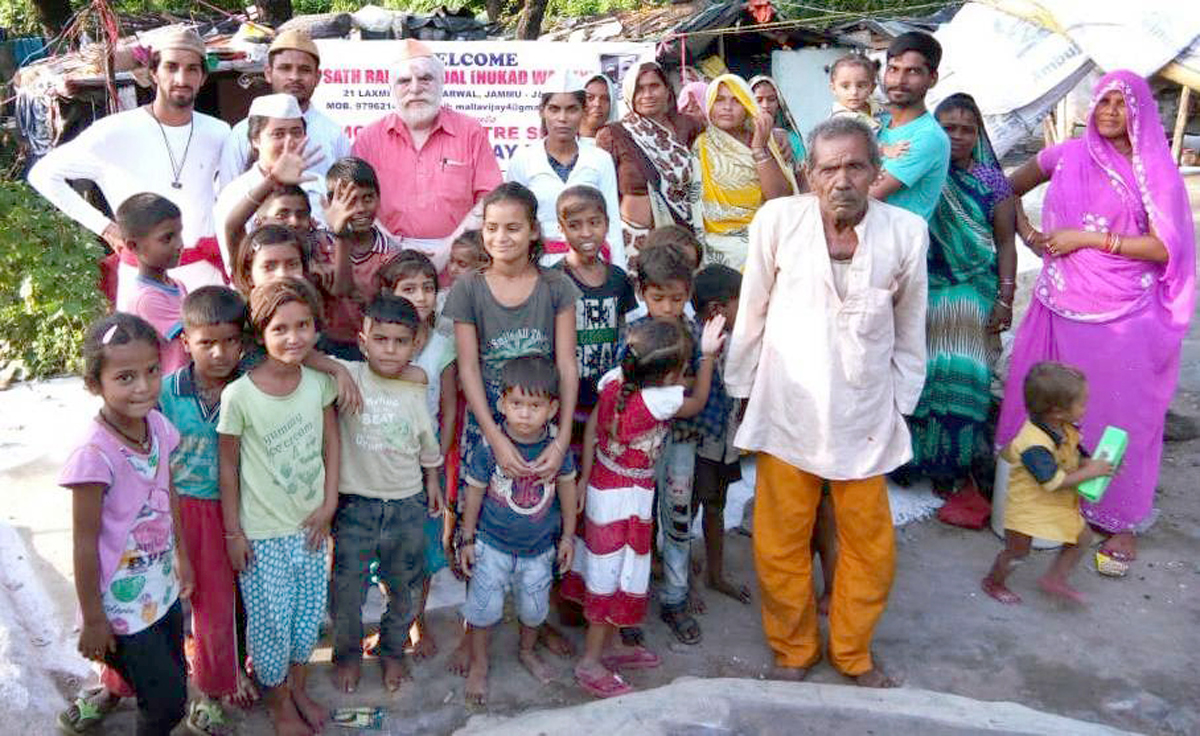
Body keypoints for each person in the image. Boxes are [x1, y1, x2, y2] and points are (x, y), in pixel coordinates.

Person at [725, 117, 928, 688]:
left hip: (866, 417)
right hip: (787, 410)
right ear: (808, 174)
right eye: (829, 167)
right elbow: (753, 311)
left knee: (870, 550)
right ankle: (792, 650)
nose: (842, 179)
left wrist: (901, 406)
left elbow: (912, 329)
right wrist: (742, 391)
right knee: (778, 545)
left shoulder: (906, 232)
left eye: (855, 166)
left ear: (875, 172)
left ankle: (852, 652)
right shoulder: (777, 221)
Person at [999, 70, 1196, 574]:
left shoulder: (1155, 171)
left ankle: (1119, 520)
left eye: (1120, 102)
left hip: (1126, 313)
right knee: (1049, 408)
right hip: (1060, 304)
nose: (1108, 110)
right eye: (1102, 100)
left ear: (1140, 111)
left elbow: (1164, 247)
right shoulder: (1066, 155)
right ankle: (1046, 502)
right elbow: (1001, 187)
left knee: (1121, 417)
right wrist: (1027, 232)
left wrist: (1087, 240)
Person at [562, 317, 725, 698]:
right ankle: (590, 661)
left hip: (604, 486)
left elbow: (590, 434)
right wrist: (707, 356)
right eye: (682, 369)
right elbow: (698, 401)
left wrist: (585, 476)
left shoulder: (615, 379)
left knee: (609, 569)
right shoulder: (660, 399)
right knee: (614, 575)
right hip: (627, 498)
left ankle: (614, 646)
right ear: (668, 374)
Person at [59, 313, 192, 736]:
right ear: (95, 384)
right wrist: (94, 618)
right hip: (120, 610)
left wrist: (182, 557)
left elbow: (168, 493)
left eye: (152, 371)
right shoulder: (93, 456)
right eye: (125, 377)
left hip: (162, 590)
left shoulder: (156, 425)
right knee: (167, 704)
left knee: (169, 682)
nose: (144, 386)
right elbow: (83, 543)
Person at [217, 277, 339, 735]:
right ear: (260, 334)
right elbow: (227, 469)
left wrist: (329, 503)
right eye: (281, 329)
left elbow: (332, 441)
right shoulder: (239, 396)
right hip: (263, 534)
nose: (295, 338)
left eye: (304, 325)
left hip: (311, 526)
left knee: (308, 619)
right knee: (271, 625)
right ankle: (279, 704)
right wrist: (233, 533)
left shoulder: (317, 384)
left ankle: (298, 688)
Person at [29, 28, 229, 299]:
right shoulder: (116, 131)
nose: (182, 78)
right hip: (143, 285)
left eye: (192, 69)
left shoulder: (218, 132)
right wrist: (105, 228)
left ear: (203, 77)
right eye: (171, 67)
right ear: (153, 73)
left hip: (206, 282)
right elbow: (43, 174)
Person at [902, 93, 1017, 496]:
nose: (958, 136)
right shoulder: (920, 174)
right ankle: (913, 460)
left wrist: (1005, 299)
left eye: (967, 129)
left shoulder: (991, 181)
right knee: (921, 373)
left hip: (975, 286)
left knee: (964, 375)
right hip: (924, 284)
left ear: (979, 134)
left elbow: (1005, 242)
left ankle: (951, 464)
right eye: (948, 128)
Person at [330, 294, 443, 694]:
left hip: (407, 502)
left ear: (415, 345)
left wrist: (432, 481)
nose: (390, 350)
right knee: (347, 591)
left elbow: (426, 436)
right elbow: (304, 352)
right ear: (363, 341)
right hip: (356, 506)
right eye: (380, 340)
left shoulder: (417, 383)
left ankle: (393, 649)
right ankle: (346, 655)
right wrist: (336, 370)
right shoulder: (350, 374)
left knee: (404, 586)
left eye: (400, 341)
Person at [458, 356, 578, 705]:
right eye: (517, 404)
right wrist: (467, 539)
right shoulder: (491, 448)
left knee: (534, 609)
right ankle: (480, 663)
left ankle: (527, 650)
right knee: (482, 609)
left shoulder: (556, 450)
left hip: (539, 549)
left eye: (535, 405)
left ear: (553, 407)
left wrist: (568, 536)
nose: (525, 414)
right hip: (492, 546)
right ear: (502, 404)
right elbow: (475, 491)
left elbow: (569, 490)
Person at [158, 287, 249, 735]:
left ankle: (212, 689)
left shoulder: (249, 387)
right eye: (207, 342)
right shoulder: (166, 393)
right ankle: (122, 682)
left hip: (230, 509)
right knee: (158, 596)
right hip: (174, 506)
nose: (220, 353)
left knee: (216, 605)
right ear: (185, 341)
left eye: (231, 341)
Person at [352, 39, 502, 275]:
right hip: (387, 265)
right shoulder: (368, 139)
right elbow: (356, 203)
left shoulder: (470, 132)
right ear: (391, 88)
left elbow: (490, 199)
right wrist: (394, 250)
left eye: (425, 78)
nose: (415, 88)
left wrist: (449, 248)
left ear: (441, 83)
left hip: (458, 267)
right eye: (404, 81)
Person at [379, 251, 460, 660]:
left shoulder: (442, 346)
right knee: (386, 551)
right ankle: (397, 617)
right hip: (384, 467)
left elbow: (447, 409)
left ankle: (417, 620)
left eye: (428, 287)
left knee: (424, 551)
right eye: (409, 288)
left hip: (426, 466)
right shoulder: (381, 342)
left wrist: (436, 463)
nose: (422, 297)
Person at [983, 362, 1113, 605]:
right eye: (1082, 403)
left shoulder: (1063, 428)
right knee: (1018, 552)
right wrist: (1090, 472)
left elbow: (1076, 453)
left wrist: (1097, 465)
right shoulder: (1034, 444)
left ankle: (1055, 578)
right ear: (1057, 411)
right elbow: (1053, 482)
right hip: (1028, 507)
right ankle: (993, 582)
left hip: (1056, 504)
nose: (1086, 408)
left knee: (1082, 538)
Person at [506, 73, 624, 269]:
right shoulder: (524, 159)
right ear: (542, 111)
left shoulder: (599, 159)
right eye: (554, 109)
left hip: (591, 265)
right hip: (538, 266)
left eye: (571, 109)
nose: (562, 118)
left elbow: (612, 223)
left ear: (583, 112)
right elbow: (513, 219)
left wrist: (618, 275)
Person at [595, 59, 705, 264]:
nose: (647, 95)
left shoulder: (689, 127)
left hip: (682, 236)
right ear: (629, 93)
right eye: (639, 89)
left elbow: (721, 143)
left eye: (654, 86)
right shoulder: (614, 135)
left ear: (667, 90)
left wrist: (776, 135)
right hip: (633, 240)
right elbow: (600, 191)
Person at [553, 185, 637, 451]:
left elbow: (628, 332)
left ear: (607, 224)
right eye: (575, 225)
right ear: (561, 229)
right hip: (566, 398)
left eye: (594, 223)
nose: (586, 233)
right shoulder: (554, 280)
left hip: (608, 397)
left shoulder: (618, 279)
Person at [689, 264, 752, 606]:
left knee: (717, 504)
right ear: (718, 308)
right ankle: (682, 580)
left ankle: (715, 574)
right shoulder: (697, 341)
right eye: (739, 303)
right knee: (690, 508)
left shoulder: (736, 339)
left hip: (724, 443)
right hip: (699, 444)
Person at [218, 30, 349, 190]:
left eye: (305, 70)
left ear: (317, 77)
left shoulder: (334, 134)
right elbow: (229, 198)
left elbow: (342, 197)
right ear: (268, 73)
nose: (294, 77)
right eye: (285, 68)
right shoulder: (242, 133)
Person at [694, 74, 796, 271]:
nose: (727, 107)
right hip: (716, 244)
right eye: (719, 100)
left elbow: (780, 197)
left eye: (736, 101)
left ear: (748, 105)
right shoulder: (702, 145)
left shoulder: (767, 140)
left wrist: (759, 148)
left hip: (761, 236)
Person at [214, 93, 326, 271]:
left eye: (296, 132)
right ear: (255, 140)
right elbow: (235, 265)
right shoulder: (236, 193)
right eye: (278, 134)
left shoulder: (319, 185)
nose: (289, 142)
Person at [309, 157, 399, 360]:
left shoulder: (391, 253)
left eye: (368, 198)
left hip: (374, 349)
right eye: (349, 201)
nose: (359, 209)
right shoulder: (318, 244)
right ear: (329, 203)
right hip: (324, 347)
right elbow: (340, 289)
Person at [869, 31, 950, 221]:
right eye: (893, 69)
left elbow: (863, 196)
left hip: (894, 248)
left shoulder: (927, 137)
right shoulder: (876, 123)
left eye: (912, 71)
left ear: (932, 78)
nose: (899, 81)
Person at [115, 193, 188, 374]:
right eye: (167, 238)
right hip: (172, 394)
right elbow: (198, 333)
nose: (180, 244)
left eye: (179, 234)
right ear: (133, 246)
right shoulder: (146, 299)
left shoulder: (177, 285)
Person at [747, 75, 805, 176]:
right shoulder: (743, 136)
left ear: (778, 103)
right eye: (758, 100)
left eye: (771, 99)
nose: (765, 105)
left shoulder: (792, 139)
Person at [229, 224, 309, 298]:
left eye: (292, 265)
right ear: (249, 277)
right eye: (269, 267)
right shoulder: (238, 312)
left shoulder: (317, 310)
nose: (282, 275)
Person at [580, 74, 618, 142]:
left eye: (604, 99)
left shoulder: (621, 147)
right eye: (590, 97)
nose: (597, 104)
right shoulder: (562, 144)